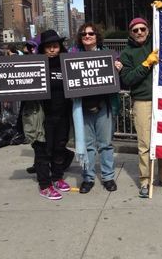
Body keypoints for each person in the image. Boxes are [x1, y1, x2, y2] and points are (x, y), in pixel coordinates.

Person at [119, 17, 162, 198]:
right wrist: (146, 64)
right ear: (130, 33)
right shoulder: (126, 54)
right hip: (142, 101)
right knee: (144, 144)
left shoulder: (158, 43)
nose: (139, 32)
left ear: (148, 30)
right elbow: (128, 79)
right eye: (135, 30)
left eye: (142, 29)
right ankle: (145, 181)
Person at [72, 23, 122, 194]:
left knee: (106, 144)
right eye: (84, 34)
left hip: (104, 107)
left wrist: (118, 68)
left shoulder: (109, 55)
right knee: (88, 146)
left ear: (96, 36)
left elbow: (119, 78)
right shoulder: (72, 56)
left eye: (91, 33)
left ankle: (108, 177)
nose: (87, 36)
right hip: (82, 108)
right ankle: (88, 177)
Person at [23, 29, 72, 200]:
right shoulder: (32, 64)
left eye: (55, 46)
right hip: (41, 117)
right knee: (42, 151)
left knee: (59, 148)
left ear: (60, 47)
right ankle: (44, 185)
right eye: (48, 47)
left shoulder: (67, 64)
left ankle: (57, 178)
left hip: (62, 115)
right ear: (42, 49)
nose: (52, 49)